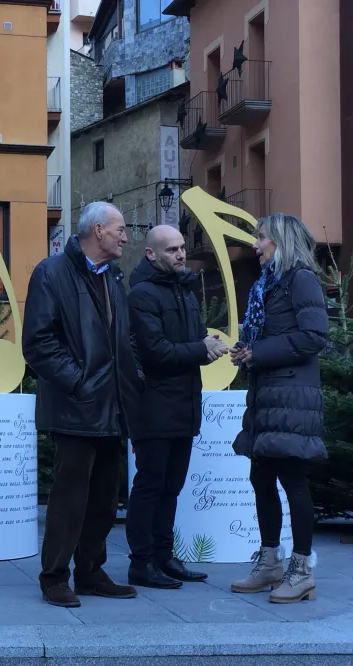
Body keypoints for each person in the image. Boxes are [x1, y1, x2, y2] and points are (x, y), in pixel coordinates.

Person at [22, 202, 141, 608]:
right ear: (98, 230)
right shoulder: (50, 273)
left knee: (106, 499)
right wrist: (79, 382)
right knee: (70, 497)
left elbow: (123, 342)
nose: (126, 237)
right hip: (76, 407)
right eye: (120, 229)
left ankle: (90, 571)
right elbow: (38, 343)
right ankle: (54, 577)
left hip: (113, 407)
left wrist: (132, 381)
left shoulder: (113, 278)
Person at [228, 213, 328, 604]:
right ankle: (269, 562)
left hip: (291, 400)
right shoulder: (268, 285)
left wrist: (259, 351)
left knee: (293, 482)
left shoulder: (300, 279)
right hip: (266, 395)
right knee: (261, 479)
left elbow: (314, 336)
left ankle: (301, 571)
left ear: (282, 241)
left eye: (262, 237)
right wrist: (245, 351)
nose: (256, 245)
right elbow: (269, 334)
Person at [125, 225, 228, 589]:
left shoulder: (185, 291)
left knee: (172, 488)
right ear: (152, 254)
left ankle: (164, 557)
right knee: (151, 486)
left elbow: (189, 345)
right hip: (153, 407)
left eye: (183, 247)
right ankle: (141, 563)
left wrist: (208, 347)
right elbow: (156, 352)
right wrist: (201, 349)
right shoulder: (141, 295)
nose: (181, 254)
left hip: (183, 406)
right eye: (172, 250)